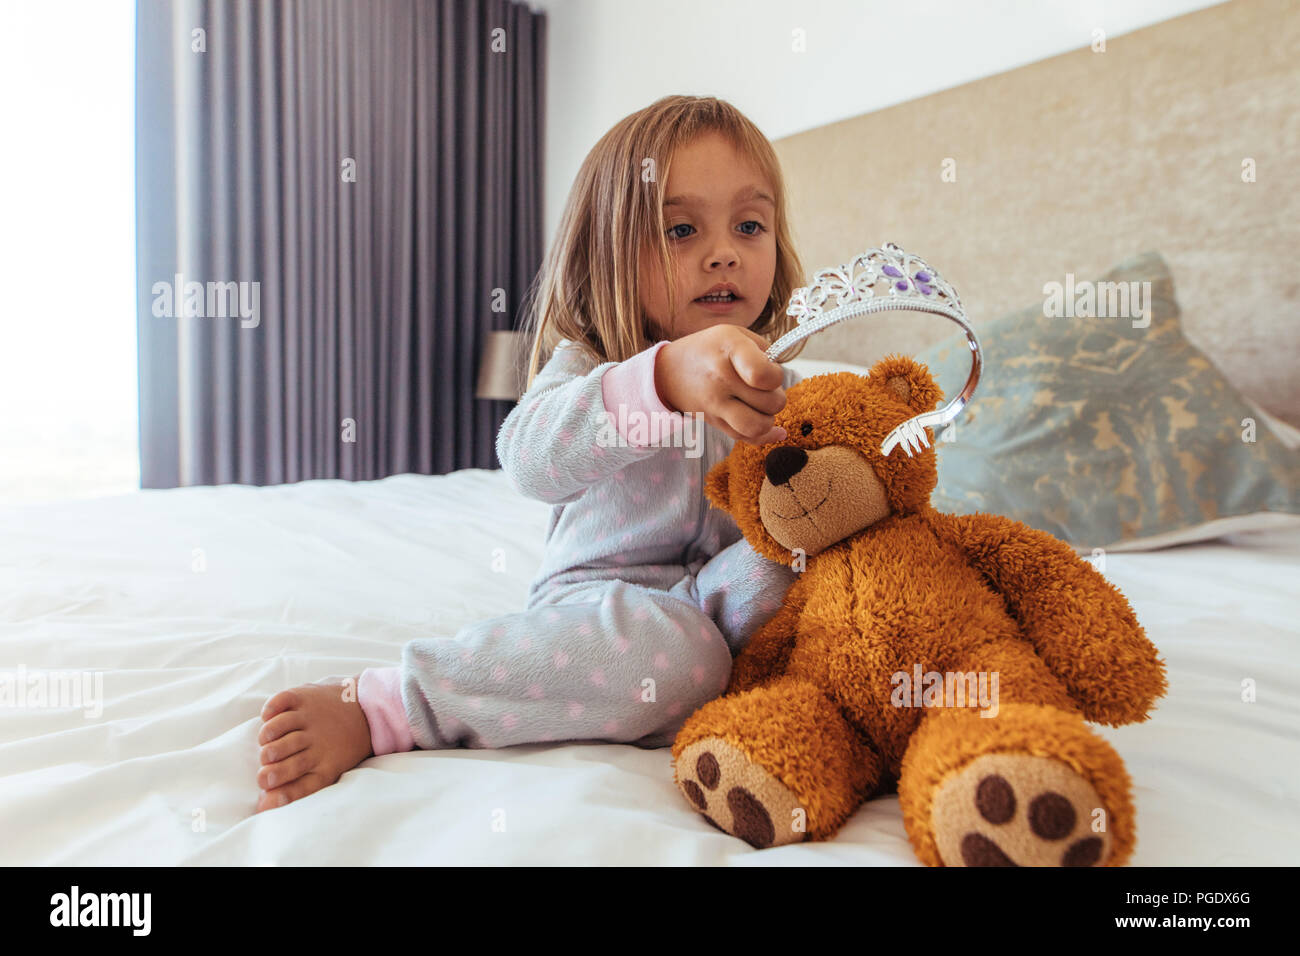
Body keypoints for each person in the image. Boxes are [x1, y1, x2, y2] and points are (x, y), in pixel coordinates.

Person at [254, 94, 810, 812]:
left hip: (726, 607)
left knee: (810, 563)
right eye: (679, 228)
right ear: (608, 249)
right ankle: (391, 705)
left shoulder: (786, 384)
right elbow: (528, 459)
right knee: (680, 652)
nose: (724, 250)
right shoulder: (592, 364)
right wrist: (664, 380)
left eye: (750, 224)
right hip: (602, 609)